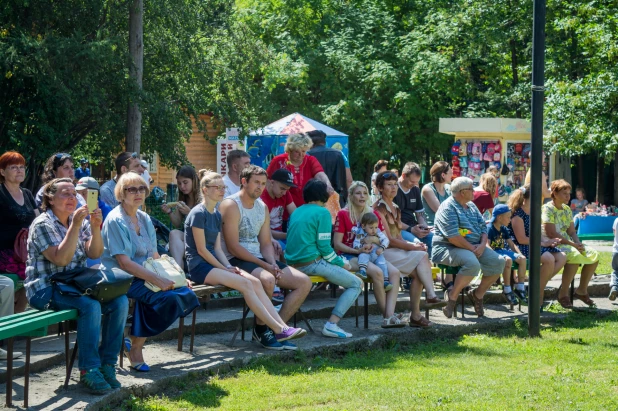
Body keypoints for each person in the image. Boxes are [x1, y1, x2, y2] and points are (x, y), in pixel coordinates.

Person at [25, 178, 128, 394]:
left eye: (74, 194)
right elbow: (61, 260)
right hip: (45, 289)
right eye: (65, 194)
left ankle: (107, 364)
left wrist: (95, 227)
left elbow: (95, 253)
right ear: (50, 199)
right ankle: (88, 370)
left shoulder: (76, 219)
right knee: (90, 307)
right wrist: (75, 226)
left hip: (74, 285)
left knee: (120, 301)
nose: (72, 198)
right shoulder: (43, 224)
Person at [185, 170, 306, 350]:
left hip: (217, 265)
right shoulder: (199, 213)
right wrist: (226, 267)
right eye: (217, 187)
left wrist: (228, 266)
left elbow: (217, 247)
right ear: (204, 189)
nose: (221, 190)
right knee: (251, 283)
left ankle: (280, 328)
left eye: (223, 187)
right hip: (201, 266)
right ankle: (277, 328)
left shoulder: (216, 214)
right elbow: (202, 250)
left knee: (255, 283)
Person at [101, 172, 199, 371]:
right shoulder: (115, 220)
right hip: (121, 277)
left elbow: (154, 254)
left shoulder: (144, 218)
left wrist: (176, 278)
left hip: (144, 275)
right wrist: (158, 280)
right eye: (131, 189)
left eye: (141, 189)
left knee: (185, 293)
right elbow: (124, 263)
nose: (138, 193)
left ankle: (133, 341)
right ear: (121, 193)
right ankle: (135, 348)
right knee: (165, 298)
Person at [219, 165, 312, 349]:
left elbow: (265, 242)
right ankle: (263, 330)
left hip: (259, 258)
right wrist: (265, 264)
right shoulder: (230, 204)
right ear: (244, 182)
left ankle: (274, 330)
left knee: (304, 282)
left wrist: (271, 262)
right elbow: (233, 247)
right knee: (268, 280)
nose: (260, 187)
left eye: (262, 183)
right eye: (256, 183)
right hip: (233, 259)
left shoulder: (262, 207)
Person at [286, 179, 363, 337]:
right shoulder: (323, 212)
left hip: (292, 264)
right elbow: (325, 248)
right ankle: (332, 324)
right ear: (323, 195)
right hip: (311, 263)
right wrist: (343, 264)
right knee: (356, 283)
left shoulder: (298, 210)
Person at [374, 172, 444, 327]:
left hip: (394, 251)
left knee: (420, 267)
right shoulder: (378, 209)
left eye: (394, 184)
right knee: (421, 255)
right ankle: (430, 296)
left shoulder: (396, 208)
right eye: (388, 184)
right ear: (380, 187)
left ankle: (416, 315)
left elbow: (398, 236)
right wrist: (412, 246)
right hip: (381, 253)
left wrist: (414, 246)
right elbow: (389, 240)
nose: (393, 187)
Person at [431, 177, 505, 318]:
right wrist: (473, 248)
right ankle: (452, 297)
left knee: (499, 261)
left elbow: (484, 227)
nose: (474, 191)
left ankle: (477, 294)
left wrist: (483, 245)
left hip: (474, 246)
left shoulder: (471, 206)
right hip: (447, 247)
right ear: (462, 192)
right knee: (472, 263)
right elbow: (453, 237)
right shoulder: (448, 207)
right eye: (471, 189)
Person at [333, 181, 404, 328]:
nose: (362, 196)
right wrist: (357, 251)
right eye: (358, 193)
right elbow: (337, 244)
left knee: (395, 273)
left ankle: (389, 315)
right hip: (349, 255)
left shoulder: (373, 213)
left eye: (365, 193)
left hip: (373, 254)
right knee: (378, 272)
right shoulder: (343, 214)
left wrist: (372, 239)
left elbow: (384, 239)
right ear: (350, 195)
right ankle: (389, 317)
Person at [541, 179, 599, 309]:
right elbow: (551, 234)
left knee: (594, 255)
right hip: (554, 244)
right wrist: (573, 245)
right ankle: (563, 294)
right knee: (574, 255)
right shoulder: (547, 209)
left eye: (569, 193)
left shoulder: (567, 209)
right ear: (555, 194)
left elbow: (572, 231)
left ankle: (581, 291)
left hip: (568, 242)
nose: (568, 196)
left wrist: (578, 243)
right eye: (564, 193)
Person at [508, 185, 566, 306]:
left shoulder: (535, 211)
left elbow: (537, 233)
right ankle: (538, 296)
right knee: (549, 259)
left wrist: (549, 241)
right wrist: (544, 243)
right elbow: (521, 239)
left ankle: (535, 287)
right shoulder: (518, 214)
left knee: (562, 257)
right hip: (521, 246)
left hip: (534, 244)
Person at [0, 151, 35, 314]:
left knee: (38, 273)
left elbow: (38, 220)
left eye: (22, 167)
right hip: (4, 252)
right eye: (14, 167)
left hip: (24, 252)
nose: (20, 170)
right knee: (32, 274)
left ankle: (16, 320)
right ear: (2, 171)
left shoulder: (27, 194)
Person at [266, 133, 335, 208]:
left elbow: (319, 173)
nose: (301, 155)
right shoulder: (278, 161)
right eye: (297, 151)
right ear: (290, 150)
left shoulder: (311, 160)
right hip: (281, 208)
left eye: (303, 151)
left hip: (306, 208)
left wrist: (327, 184)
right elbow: (267, 181)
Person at [487, 204, 528, 305]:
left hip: (502, 250)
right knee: (508, 260)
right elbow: (487, 245)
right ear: (499, 217)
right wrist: (495, 256)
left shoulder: (504, 229)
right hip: (494, 252)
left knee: (522, 259)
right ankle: (507, 289)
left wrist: (519, 254)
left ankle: (520, 287)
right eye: (508, 217)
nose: (510, 219)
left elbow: (512, 244)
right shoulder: (490, 228)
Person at [161, 166, 201, 266]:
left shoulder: (202, 197)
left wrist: (190, 212)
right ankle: (179, 269)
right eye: (179, 183)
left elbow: (207, 221)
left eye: (185, 182)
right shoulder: (183, 199)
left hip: (203, 237)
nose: (182, 186)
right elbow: (177, 223)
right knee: (173, 233)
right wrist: (170, 212)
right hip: (189, 237)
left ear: (194, 180)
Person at [394, 162, 433, 256]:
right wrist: (411, 229)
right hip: (398, 229)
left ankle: (432, 268)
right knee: (417, 244)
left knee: (435, 240)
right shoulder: (393, 189)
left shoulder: (415, 189)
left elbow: (420, 214)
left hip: (413, 226)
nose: (415, 184)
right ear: (403, 175)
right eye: (412, 181)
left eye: (417, 182)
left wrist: (424, 228)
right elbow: (394, 220)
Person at [260, 169, 297, 255]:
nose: (284, 193)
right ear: (272, 182)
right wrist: (289, 235)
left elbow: (296, 215)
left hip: (281, 234)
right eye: (282, 189)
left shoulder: (286, 193)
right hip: (266, 236)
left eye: (287, 190)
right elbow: (263, 232)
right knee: (283, 253)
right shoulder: (261, 198)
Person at [307, 130, 348, 206]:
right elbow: (349, 179)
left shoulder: (307, 155)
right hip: (337, 199)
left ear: (310, 143)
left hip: (314, 200)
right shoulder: (339, 154)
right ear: (324, 142)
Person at [352, 212, 390, 287]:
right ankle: (362, 271)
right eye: (371, 227)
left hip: (377, 253)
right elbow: (356, 242)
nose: (374, 230)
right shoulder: (360, 233)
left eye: (376, 227)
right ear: (363, 226)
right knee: (362, 256)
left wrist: (381, 248)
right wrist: (360, 248)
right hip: (366, 253)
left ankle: (385, 280)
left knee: (382, 263)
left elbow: (386, 240)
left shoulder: (378, 232)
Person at [421, 161, 453, 226]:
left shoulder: (449, 188)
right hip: (433, 227)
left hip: (448, 226)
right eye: (450, 173)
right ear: (443, 175)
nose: (452, 175)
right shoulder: (428, 189)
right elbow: (441, 212)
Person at [609, 216, 618, 301]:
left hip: (616, 251)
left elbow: (614, 233)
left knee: (616, 271)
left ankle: (614, 287)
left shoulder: (616, 220)